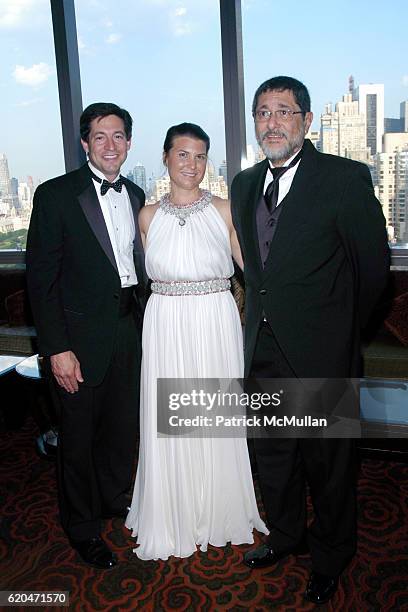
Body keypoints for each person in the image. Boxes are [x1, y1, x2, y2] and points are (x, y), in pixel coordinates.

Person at [231, 76, 389, 605]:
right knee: (274, 458)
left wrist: (344, 332)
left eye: (283, 111)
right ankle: (286, 536)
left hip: (322, 350)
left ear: (306, 121)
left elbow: (373, 270)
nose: (271, 122)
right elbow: (257, 271)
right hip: (263, 348)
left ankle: (330, 555)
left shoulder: (344, 178)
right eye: (263, 113)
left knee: (329, 466)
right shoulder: (245, 183)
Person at [125, 122, 268, 560]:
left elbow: (256, 271)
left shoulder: (225, 210)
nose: (192, 164)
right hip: (165, 322)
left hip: (215, 321)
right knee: (168, 417)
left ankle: (219, 506)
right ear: (166, 157)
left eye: (201, 156)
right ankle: (174, 512)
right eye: (183, 154)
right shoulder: (146, 216)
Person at [26, 102, 146, 570]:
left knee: (121, 430)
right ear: (84, 143)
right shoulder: (56, 195)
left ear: (129, 142)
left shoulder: (136, 194)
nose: (110, 145)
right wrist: (57, 348)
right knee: (77, 440)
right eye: (100, 137)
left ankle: (114, 499)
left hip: (128, 331)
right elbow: (42, 278)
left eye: (118, 136)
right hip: (76, 340)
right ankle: (82, 529)